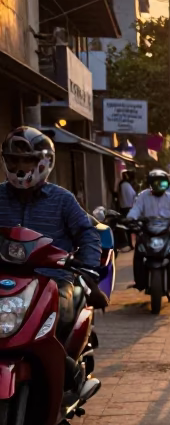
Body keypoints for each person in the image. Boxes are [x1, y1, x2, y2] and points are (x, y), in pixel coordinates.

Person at [0, 126, 102, 333]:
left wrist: (89, 266)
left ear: (44, 162)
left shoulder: (63, 199)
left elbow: (87, 233)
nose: (20, 166)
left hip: (52, 280)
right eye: (14, 160)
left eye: (27, 160)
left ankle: (64, 364)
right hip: (5, 280)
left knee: (61, 319)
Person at [126, 169, 170, 290]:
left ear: (167, 185)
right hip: (147, 232)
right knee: (138, 252)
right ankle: (139, 281)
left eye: (163, 184)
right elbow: (136, 209)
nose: (159, 186)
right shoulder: (143, 196)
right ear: (150, 184)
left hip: (167, 231)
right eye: (156, 183)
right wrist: (130, 218)